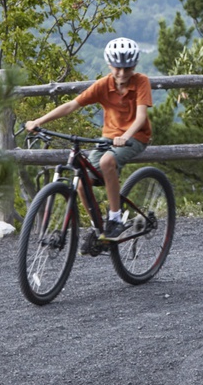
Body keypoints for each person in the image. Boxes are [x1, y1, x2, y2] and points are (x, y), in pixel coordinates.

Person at [25, 37, 151, 238]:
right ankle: (97, 227)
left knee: (107, 160)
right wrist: (39, 121)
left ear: (134, 65)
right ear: (109, 64)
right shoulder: (103, 85)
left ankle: (115, 218)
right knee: (82, 181)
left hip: (135, 137)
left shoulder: (141, 81)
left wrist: (125, 136)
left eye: (127, 69)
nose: (122, 73)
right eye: (117, 68)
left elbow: (141, 116)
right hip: (107, 139)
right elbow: (71, 105)